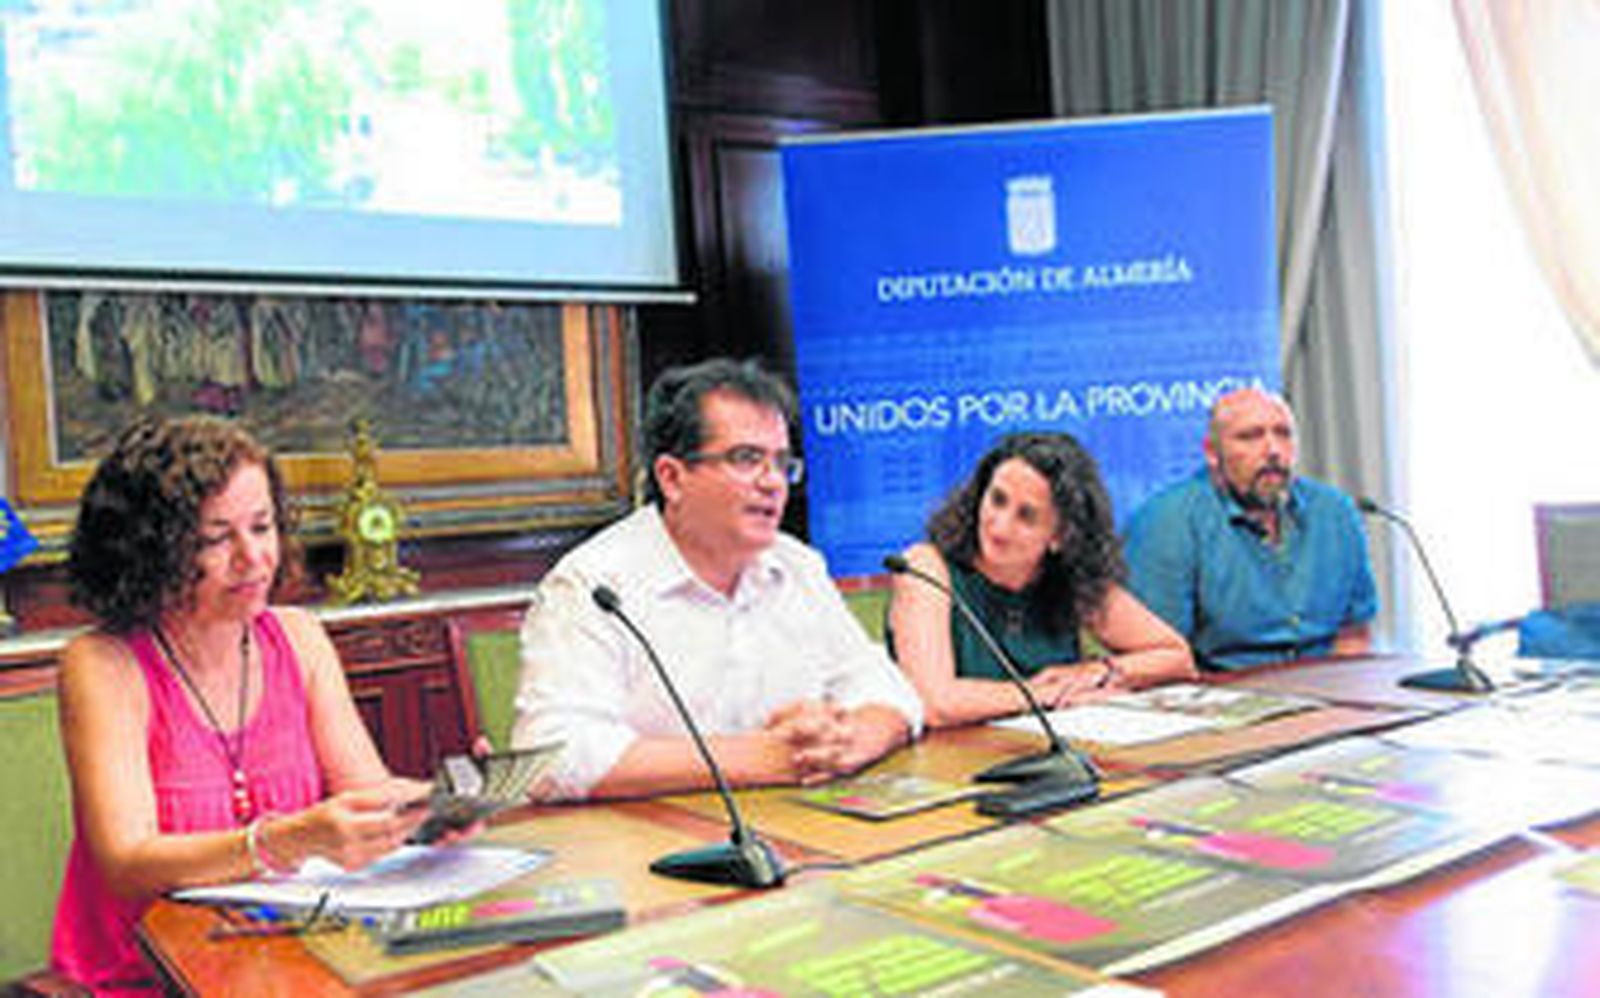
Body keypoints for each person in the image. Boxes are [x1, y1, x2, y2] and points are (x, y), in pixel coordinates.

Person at [52, 416, 435, 991]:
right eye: (215, 538)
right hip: (146, 977)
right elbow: (126, 864)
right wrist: (286, 839)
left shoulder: (300, 636)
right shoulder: (101, 664)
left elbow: (366, 792)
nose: (253, 557)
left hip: (296, 961)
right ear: (146, 549)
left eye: (263, 526)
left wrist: (432, 810)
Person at [511, 358, 922, 800]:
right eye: (747, 460)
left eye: (782, 464)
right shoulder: (594, 585)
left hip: (790, 827)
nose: (772, 483)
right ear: (672, 477)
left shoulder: (797, 565)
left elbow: (886, 690)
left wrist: (850, 741)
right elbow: (552, 756)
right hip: (649, 839)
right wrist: (764, 757)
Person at [887, 432, 1195, 728]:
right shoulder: (925, 567)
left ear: (1060, 536)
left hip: (1050, 758)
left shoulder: (1069, 577)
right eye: (997, 499)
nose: (1000, 527)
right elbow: (936, 703)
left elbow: (1176, 657)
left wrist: (1097, 672)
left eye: (1026, 516)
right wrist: (1048, 693)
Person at [1123, 387, 1377, 670]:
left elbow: (1354, 633)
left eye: (1283, 434)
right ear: (1211, 452)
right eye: (1250, 436)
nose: (1273, 451)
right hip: (1223, 695)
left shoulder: (1336, 512)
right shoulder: (1165, 522)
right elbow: (1160, 655)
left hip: (1330, 692)